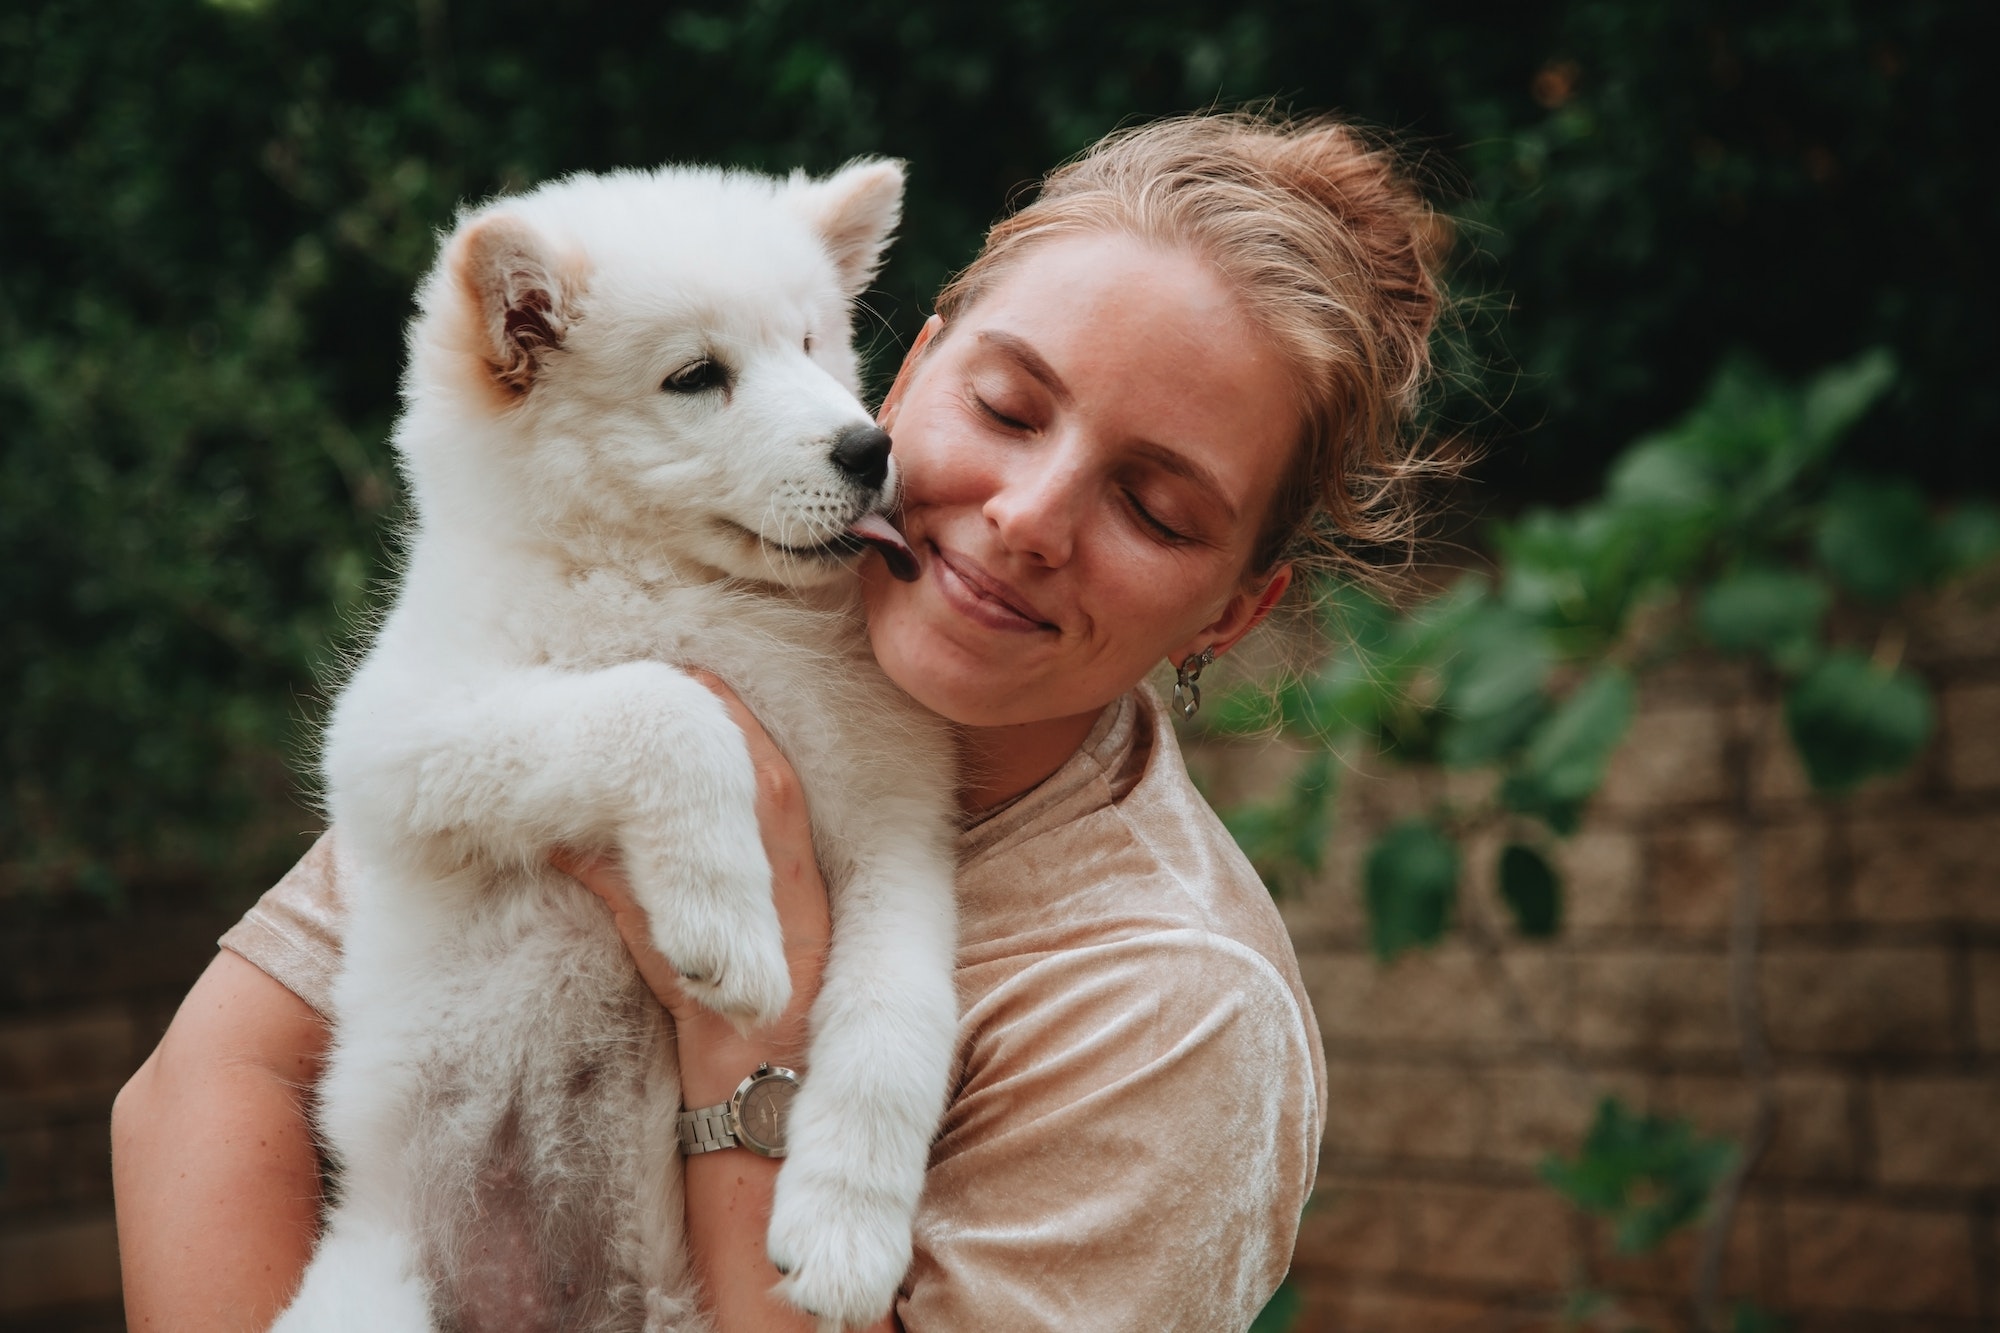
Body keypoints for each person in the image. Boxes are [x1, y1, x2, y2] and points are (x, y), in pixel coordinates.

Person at [111, 109, 1446, 1331]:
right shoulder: (644, 602)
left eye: (1156, 509)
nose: (1029, 518)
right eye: (1005, 404)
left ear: (1232, 609)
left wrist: (747, 1039)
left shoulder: (1170, 1007)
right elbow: (196, 1090)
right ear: (910, 362)